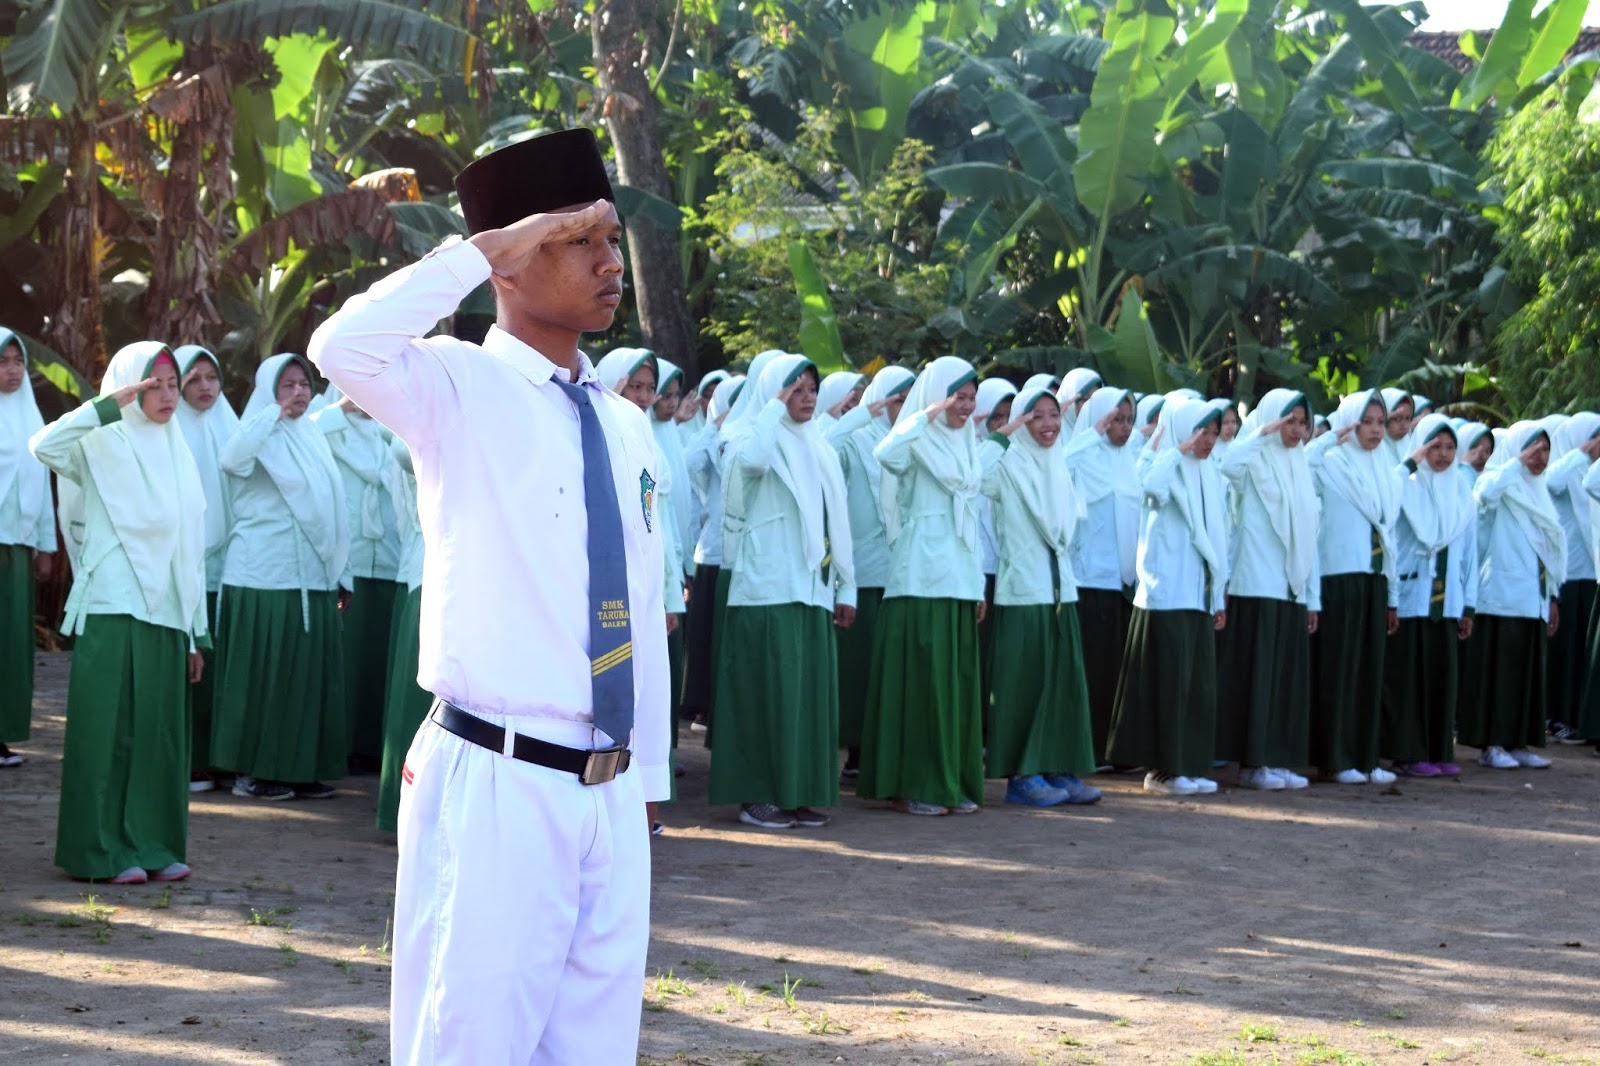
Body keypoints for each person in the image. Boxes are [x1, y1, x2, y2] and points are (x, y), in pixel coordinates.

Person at [309, 127, 669, 1066]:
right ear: (511, 262)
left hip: (609, 788)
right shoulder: (454, 386)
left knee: (593, 1051)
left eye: (610, 237)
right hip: (499, 775)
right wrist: (477, 251)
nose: (608, 260)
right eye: (574, 240)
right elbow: (340, 345)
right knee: (470, 1047)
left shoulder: (625, 423)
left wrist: (649, 781)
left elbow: (639, 604)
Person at [30, 341, 208, 884]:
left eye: (173, 384)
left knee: (156, 732)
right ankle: (97, 850)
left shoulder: (178, 450)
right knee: (105, 730)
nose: (166, 395)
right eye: (153, 384)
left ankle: (151, 844)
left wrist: (195, 634)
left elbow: (188, 546)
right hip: (113, 600)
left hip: (169, 612)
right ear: (129, 387)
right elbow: (43, 445)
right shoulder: (101, 440)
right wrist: (108, 404)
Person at [710, 355, 855, 828]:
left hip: (811, 587)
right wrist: (771, 406)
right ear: (772, 392)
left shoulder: (819, 446)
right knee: (766, 693)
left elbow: (839, 518)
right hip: (765, 586)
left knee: (804, 698)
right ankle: (758, 796)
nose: (807, 398)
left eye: (812, 389)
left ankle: (797, 793)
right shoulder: (744, 435)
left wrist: (846, 586)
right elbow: (752, 462)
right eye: (795, 389)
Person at [858, 356, 1003, 816]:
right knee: (924, 686)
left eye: (970, 397)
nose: (965, 405)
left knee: (955, 685)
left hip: (958, 575)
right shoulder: (917, 438)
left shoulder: (967, 445)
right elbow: (886, 454)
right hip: (919, 573)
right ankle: (917, 783)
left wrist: (977, 584)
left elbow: (974, 518)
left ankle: (949, 780)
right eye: (957, 396)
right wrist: (923, 414)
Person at [210, 353, 350, 801]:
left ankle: (298, 767)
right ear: (268, 390)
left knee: (304, 681)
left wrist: (338, 570)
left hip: (310, 578)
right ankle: (254, 773)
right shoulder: (254, 433)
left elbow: (330, 507)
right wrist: (273, 412)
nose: (299, 392)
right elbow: (231, 461)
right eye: (287, 384)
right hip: (262, 577)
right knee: (266, 681)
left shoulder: (310, 435)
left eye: (304, 384)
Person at [982, 386, 1101, 806]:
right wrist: (1004, 433)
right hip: (1023, 591)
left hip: (1060, 590)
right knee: (1023, 685)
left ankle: (1058, 767)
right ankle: (1022, 777)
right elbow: (973, 477)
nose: (1048, 424)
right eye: (1036, 415)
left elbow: (1068, 526)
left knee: (1061, 683)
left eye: (1053, 415)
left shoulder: (1059, 462)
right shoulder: (1005, 462)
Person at [1105, 398, 1229, 796]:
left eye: (1212, 432)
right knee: (1169, 686)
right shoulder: (1161, 466)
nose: (1206, 440)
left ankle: (1187, 766)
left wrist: (1219, 598)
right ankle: (1161, 772)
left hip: (1198, 595)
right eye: (1200, 431)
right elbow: (1151, 488)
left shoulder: (1210, 474)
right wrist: (1174, 449)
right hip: (1166, 595)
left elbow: (1220, 538)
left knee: (1196, 688)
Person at [1215, 389, 1320, 791]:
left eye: (1300, 422)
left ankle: (1275, 757)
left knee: (1282, 676)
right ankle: (1253, 763)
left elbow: (1309, 531)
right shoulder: (1254, 455)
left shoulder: (1299, 462)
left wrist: (1309, 594)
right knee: (1257, 677)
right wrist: (1261, 432)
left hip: (1290, 583)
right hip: (1255, 579)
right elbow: (1227, 465)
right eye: (1288, 421)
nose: (1295, 430)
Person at [1307, 389, 1400, 786]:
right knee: (1339, 671)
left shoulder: (1385, 467)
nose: (1376, 430)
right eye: (1367, 422)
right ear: (1350, 422)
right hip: (1338, 575)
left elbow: (1389, 533)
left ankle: (1365, 756)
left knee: (1369, 671)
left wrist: (1392, 595)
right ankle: (1335, 757)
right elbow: (1304, 461)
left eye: (1381, 422)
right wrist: (1330, 436)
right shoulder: (1328, 462)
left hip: (1373, 577)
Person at [826, 364, 914, 779]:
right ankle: (854, 750)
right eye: (897, 398)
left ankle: (879, 751)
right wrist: (862, 412)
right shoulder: (855, 438)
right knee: (858, 668)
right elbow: (827, 444)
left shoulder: (915, 441)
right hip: (860, 568)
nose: (904, 407)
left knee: (888, 668)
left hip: (900, 570)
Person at [1459, 420, 1562, 770]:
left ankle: (1518, 741)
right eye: (1533, 448)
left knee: (1525, 675)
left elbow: (1548, 551)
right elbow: (1483, 493)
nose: (1540, 456)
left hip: (1532, 599)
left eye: (1545, 449)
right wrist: (1516, 462)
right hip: (1501, 596)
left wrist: (1552, 598)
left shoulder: (1540, 490)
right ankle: (1492, 744)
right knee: (1499, 675)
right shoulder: (1500, 483)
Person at [315, 393, 403, 772]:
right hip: (349, 558)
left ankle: (372, 747)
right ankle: (343, 746)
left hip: (388, 555)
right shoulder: (328, 430)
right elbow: (307, 429)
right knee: (347, 661)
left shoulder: (391, 432)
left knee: (377, 661)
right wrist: (343, 406)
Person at [1382, 415, 1475, 777]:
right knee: (1409, 679)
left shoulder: (1462, 493)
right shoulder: (1406, 486)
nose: (1443, 454)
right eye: (1435, 446)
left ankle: (1438, 750)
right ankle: (1407, 752)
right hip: (1411, 596)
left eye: (1450, 447)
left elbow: (1468, 553)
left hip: (1447, 602)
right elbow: (1389, 525)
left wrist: (1468, 604)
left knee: (1440, 677)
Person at [1062, 385, 1139, 765]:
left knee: (1116, 672)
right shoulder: (1082, 453)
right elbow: (1059, 465)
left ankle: (1113, 749)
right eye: (1115, 419)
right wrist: (1093, 432)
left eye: (1128, 420)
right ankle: (1086, 748)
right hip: (1088, 580)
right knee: (1091, 668)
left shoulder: (1132, 458)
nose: (1123, 427)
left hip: (1122, 584)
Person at [172, 344, 237, 791]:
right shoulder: (168, 430)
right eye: (192, 379)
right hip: (181, 565)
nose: (205, 387)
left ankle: (217, 757)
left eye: (211, 377)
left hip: (226, 566)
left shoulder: (230, 428)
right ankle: (187, 759)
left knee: (216, 667)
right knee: (187, 663)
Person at [0, 328, 57, 768]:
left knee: (12, 646)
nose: (13, 369)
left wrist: (44, 546)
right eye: (3, 361)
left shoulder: (31, 418)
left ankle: (3, 734)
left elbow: (41, 482)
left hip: (17, 551)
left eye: (18, 360)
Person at [679, 373, 745, 733]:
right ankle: (702, 706)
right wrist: (711, 428)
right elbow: (687, 465)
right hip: (713, 552)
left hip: (743, 556)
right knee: (707, 638)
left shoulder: (750, 440)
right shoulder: (710, 440)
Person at [376, 435, 427, 833]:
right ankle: (405, 812)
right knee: (422, 704)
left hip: (482, 580)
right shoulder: (417, 425)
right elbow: (402, 447)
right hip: (429, 573)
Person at [1541, 413, 1600, 743]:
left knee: (1584, 652)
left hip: (1592, 572)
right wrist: (1582, 451)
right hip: (1566, 574)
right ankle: (1560, 716)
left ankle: (1580, 715)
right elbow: (1552, 482)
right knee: (1565, 650)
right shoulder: (1564, 469)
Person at [1056, 367, 1102, 431]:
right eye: (1085, 399)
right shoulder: (1051, 437)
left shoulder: (1106, 435)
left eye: (1097, 400)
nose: (1093, 405)